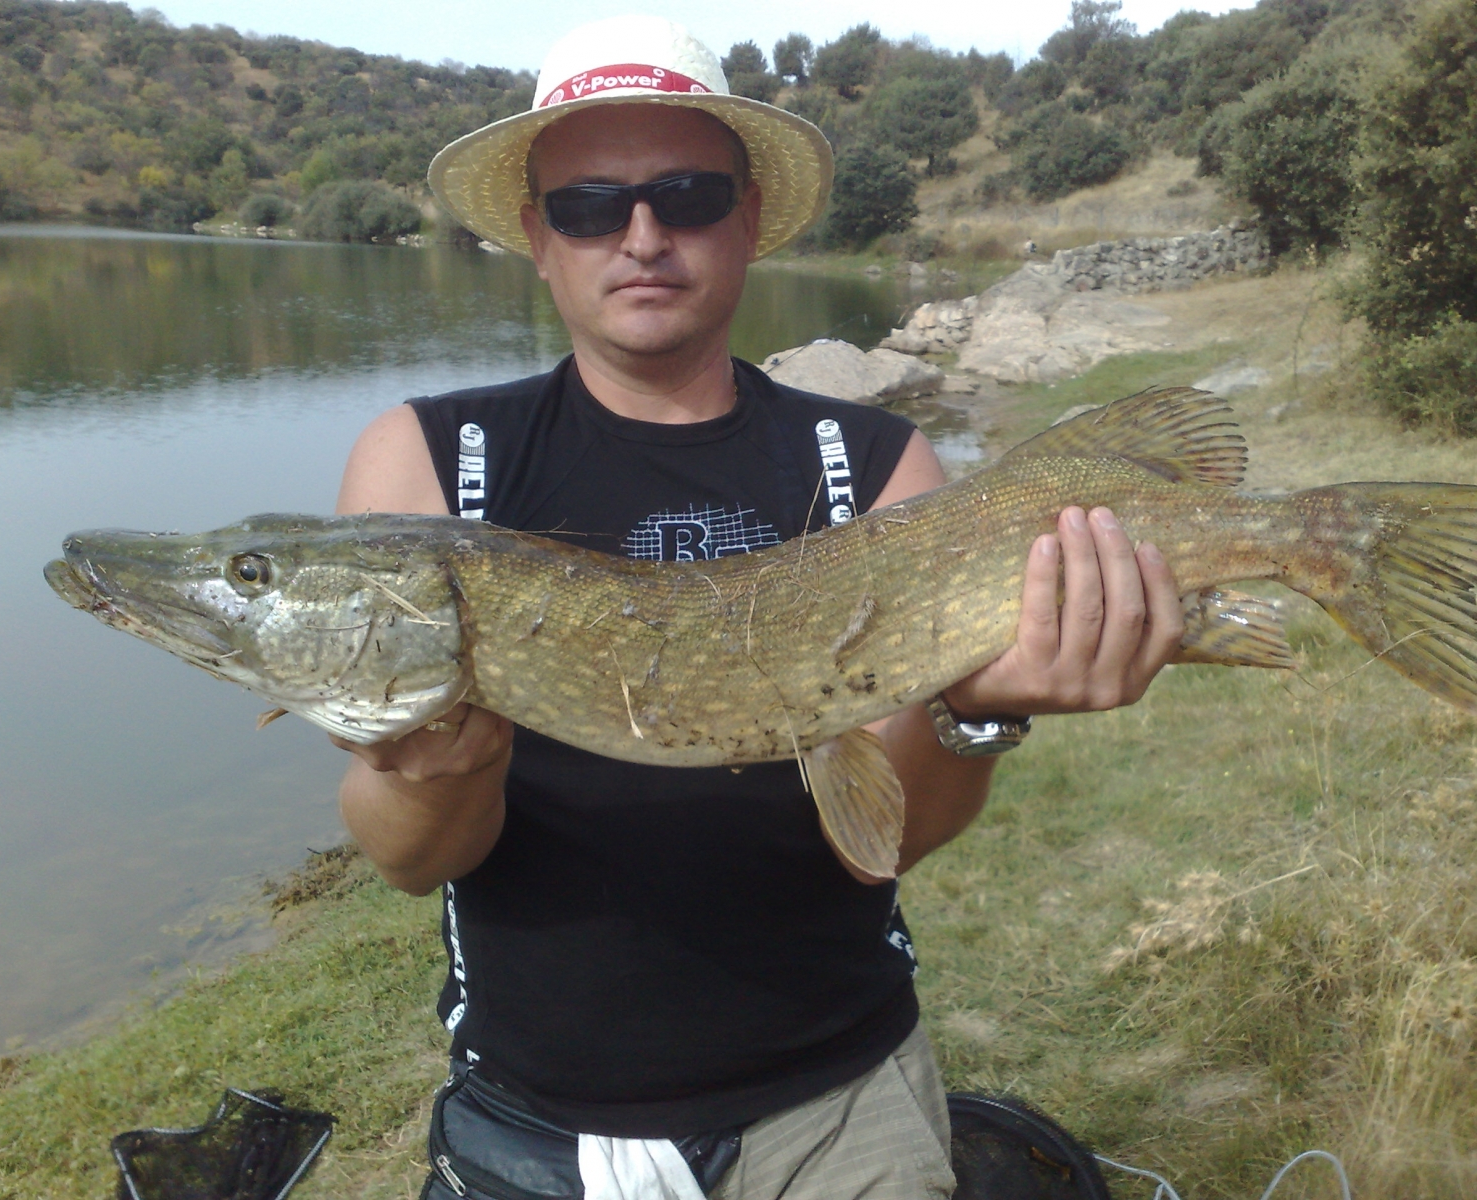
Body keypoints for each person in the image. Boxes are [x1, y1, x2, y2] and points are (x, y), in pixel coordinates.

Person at [332, 17, 1184, 1200]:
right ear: (536, 237)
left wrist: (977, 712)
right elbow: (406, 858)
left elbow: (887, 839)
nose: (641, 237)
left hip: (840, 1106)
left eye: (686, 197)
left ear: (746, 218)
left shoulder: (872, 463)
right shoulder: (433, 463)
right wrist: (443, 769)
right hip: (535, 1121)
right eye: (588, 206)